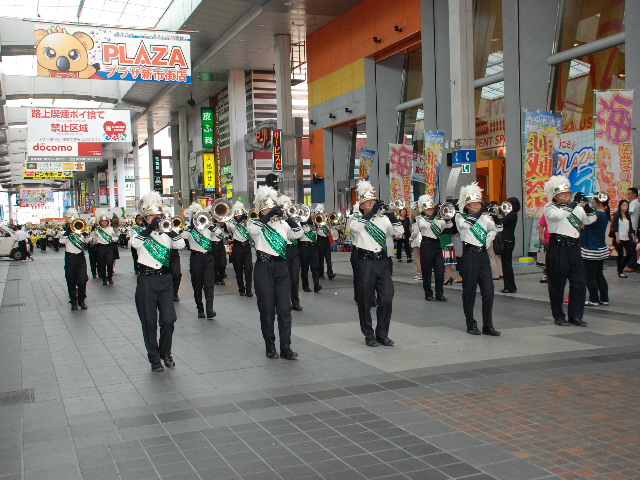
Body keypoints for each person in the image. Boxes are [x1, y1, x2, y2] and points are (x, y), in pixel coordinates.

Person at [130, 191, 185, 372]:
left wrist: (167, 229)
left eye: (158, 215)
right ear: (145, 218)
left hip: (165, 279)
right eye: (151, 216)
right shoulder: (138, 232)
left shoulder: (167, 231)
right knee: (149, 321)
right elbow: (135, 244)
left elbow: (181, 245)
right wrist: (148, 229)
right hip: (146, 280)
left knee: (169, 319)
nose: (156, 218)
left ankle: (166, 352)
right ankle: (154, 358)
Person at [248, 185, 304, 359]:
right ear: (262, 211)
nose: (271, 212)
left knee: (284, 309)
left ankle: (286, 347)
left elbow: (299, 233)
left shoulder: (282, 224)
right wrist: (266, 216)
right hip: (264, 267)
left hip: (281, 267)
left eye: (273, 209)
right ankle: (270, 346)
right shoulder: (256, 223)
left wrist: (287, 217)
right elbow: (253, 231)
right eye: (266, 209)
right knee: (266, 309)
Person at [350, 180, 403, 347]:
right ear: (362, 205)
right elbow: (356, 229)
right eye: (369, 202)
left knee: (387, 298)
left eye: (374, 201)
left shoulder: (383, 219)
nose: (373, 204)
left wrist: (392, 215)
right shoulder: (355, 218)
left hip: (382, 261)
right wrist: (372, 212)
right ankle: (368, 334)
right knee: (365, 300)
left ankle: (382, 334)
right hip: (364, 261)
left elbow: (400, 233)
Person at [543, 175, 596, 327]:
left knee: (579, 283)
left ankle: (576, 315)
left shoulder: (576, 207)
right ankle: (559, 316)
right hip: (557, 247)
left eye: (568, 193)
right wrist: (573, 204)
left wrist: (587, 207)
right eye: (563, 194)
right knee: (557, 284)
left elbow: (589, 221)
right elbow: (560, 216)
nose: (567, 195)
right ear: (555, 196)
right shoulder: (550, 208)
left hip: (574, 247)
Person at [455, 183, 502, 336]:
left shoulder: (483, 217)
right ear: (466, 205)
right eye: (473, 203)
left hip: (482, 255)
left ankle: (488, 325)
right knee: (469, 291)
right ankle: (471, 324)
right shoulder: (459, 216)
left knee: (489, 291)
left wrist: (496, 216)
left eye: (478, 203)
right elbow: (465, 226)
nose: (477, 205)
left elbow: (497, 228)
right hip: (468, 255)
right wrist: (480, 213)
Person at [182, 202, 222, 319]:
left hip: (208, 258)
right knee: (197, 285)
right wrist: (190, 226)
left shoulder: (208, 229)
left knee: (209, 284)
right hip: (196, 258)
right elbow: (183, 237)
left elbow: (220, 235)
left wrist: (210, 225)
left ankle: (210, 309)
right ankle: (200, 309)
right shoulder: (189, 229)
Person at [416, 194, 449, 302]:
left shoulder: (437, 218)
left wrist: (447, 216)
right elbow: (424, 225)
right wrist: (433, 215)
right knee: (427, 271)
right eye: (428, 209)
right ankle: (428, 293)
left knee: (440, 270)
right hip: (426, 244)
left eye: (431, 208)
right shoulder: (420, 218)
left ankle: (440, 294)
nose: (430, 210)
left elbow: (449, 225)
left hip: (437, 244)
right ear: (423, 210)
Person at [59, 209, 90, 310]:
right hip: (70, 258)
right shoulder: (66, 233)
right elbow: (61, 241)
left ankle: (81, 300)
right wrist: (67, 232)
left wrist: (85, 234)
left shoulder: (81, 232)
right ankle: (73, 302)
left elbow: (88, 240)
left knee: (82, 280)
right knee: (71, 280)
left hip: (80, 258)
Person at [581, 195, 610, 306]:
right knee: (599, 274)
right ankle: (604, 298)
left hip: (591, 249)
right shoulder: (604, 215)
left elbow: (584, 224)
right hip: (600, 248)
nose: (592, 201)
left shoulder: (596, 215)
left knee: (589, 275)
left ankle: (593, 299)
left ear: (598, 202)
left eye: (594, 200)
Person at [277, 195, 302, 311]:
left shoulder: (294, 219)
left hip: (294, 250)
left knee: (295, 277)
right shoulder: (278, 221)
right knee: (283, 277)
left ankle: (295, 302)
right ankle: (284, 302)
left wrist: (291, 219)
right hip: (283, 249)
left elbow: (300, 233)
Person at [226, 201, 253, 298]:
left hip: (246, 247)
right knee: (238, 269)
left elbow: (252, 229)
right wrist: (239, 221)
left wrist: (246, 219)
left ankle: (249, 289)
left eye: (241, 215)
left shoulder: (248, 222)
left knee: (249, 269)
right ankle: (241, 289)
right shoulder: (232, 222)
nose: (239, 216)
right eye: (238, 215)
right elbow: (231, 228)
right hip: (237, 247)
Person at [610, 199, 636, 278]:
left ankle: (621, 267)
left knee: (631, 252)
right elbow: (615, 227)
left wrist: (633, 236)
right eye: (623, 205)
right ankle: (620, 271)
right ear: (620, 206)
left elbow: (630, 227)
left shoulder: (628, 215)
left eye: (626, 205)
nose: (625, 207)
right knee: (620, 255)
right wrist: (617, 237)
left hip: (626, 237)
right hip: (619, 238)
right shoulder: (617, 215)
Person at [500, 197, 520, 293]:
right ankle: (509, 286)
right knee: (506, 264)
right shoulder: (512, 214)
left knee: (506, 264)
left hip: (507, 240)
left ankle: (509, 287)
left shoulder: (512, 215)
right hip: (509, 240)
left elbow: (500, 223)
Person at [91, 213, 118, 285]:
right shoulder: (97, 229)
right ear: (100, 222)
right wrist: (93, 230)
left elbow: (115, 236)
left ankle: (110, 277)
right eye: (102, 221)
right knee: (102, 263)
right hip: (101, 247)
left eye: (105, 221)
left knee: (110, 262)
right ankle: (104, 278)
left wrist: (114, 238)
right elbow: (93, 238)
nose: (104, 222)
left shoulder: (110, 229)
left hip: (109, 247)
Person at [299, 215, 322, 293]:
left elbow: (318, 233)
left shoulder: (314, 223)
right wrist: (304, 223)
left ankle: (316, 285)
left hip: (313, 247)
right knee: (304, 268)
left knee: (315, 267)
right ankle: (305, 286)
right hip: (304, 246)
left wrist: (318, 225)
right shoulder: (300, 223)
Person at [315, 204, 336, 279]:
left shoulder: (326, 219)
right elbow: (315, 229)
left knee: (328, 258)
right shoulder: (316, 220)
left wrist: (329, 221)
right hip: (320, 240)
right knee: (320, 258)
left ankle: (330, 273)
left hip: (326, 240)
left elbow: (332, 227)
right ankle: (321, 274)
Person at [625, 187, 639, 272]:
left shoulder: (634, 202)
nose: (628, 195)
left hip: (632, 227)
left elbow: (629, 212)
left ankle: (632, 265)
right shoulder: (633, 202)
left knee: (632, 247)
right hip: (632, 227)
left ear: (634, 194)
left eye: (629, 193)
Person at [409, 211, 422, 280]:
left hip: (417, 242)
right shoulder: (421, 221)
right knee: (420, 258)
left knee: (417, 258)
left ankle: (419, 273)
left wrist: (410, 238)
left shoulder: (416, 223)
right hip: (420, 242)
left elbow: (415, 232)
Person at [538, 214, 550, 283]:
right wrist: (540, 237)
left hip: (559, 240)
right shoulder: (546, 213)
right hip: (548, 240)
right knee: (547, 258)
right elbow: (541, 226)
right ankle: (546, 274)